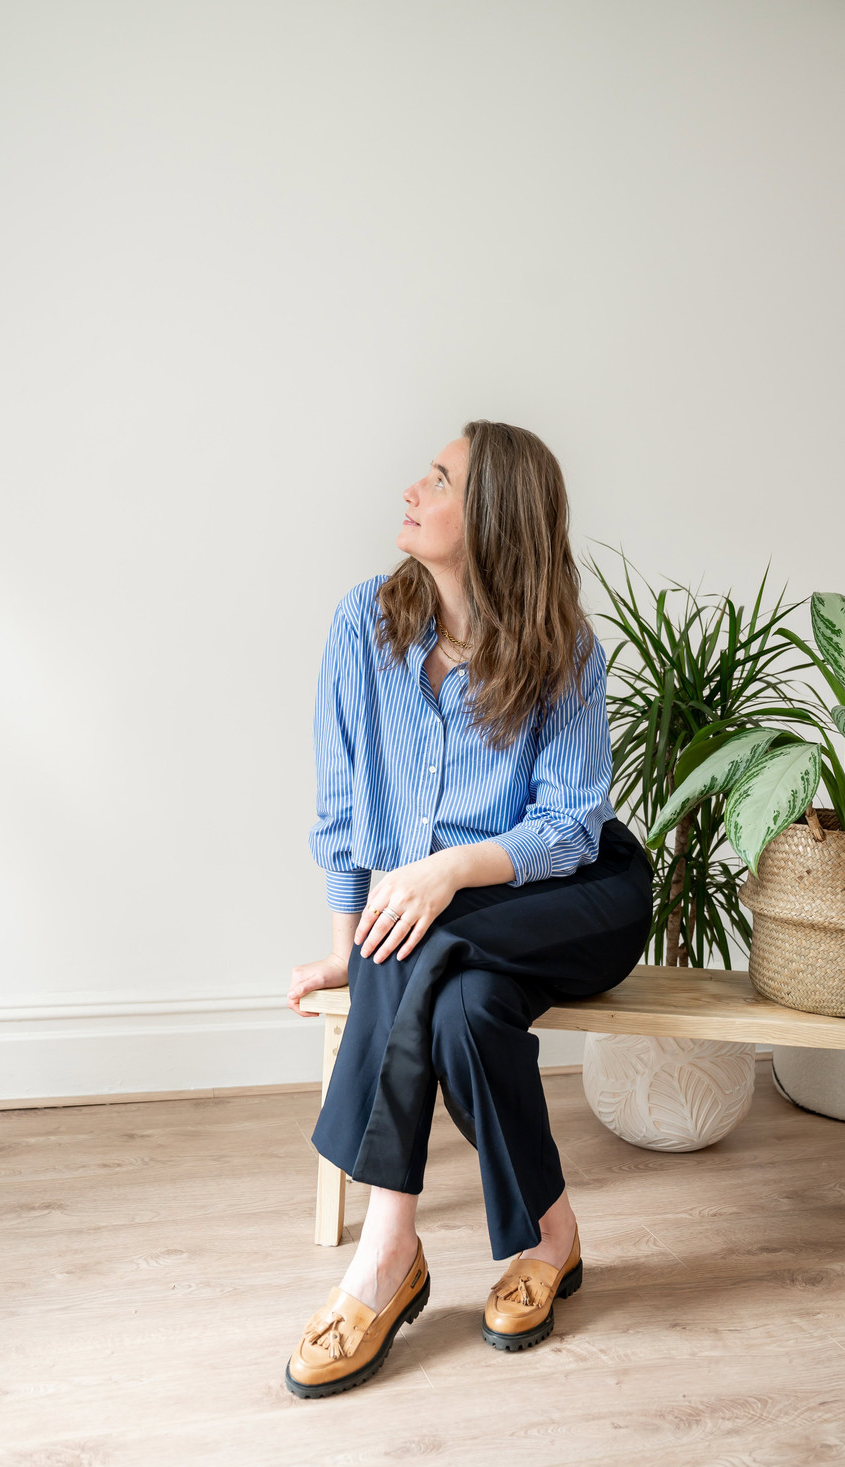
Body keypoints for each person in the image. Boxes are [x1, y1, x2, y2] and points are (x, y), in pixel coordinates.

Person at [284, 420, 654, 1399]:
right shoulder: (361, 625)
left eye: (439, 478)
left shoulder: (562, 651)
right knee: (458, 1006)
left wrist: (444, 874)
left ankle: (385, 1254)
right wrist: (347, 950)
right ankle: (551, 1236)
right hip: (437, 931)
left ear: (489, 519)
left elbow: (572, 829)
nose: (412, 487)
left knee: (426, 932)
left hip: (578, 898)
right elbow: (340, 811)